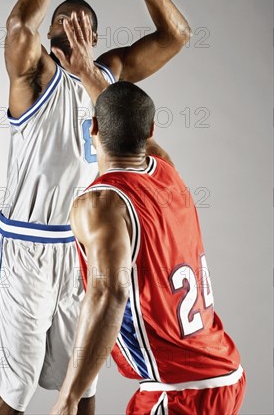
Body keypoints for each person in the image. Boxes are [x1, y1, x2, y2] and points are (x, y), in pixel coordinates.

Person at [0, 0, 191, 415]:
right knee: (18, 389)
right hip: (28, 247)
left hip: (83, 247)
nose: (68, 39)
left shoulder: (109, 73)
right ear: (49, 37)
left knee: (82, 387)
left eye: (79, 31)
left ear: (95, 38)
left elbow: (178, 34)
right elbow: (18, 28)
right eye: (59, 30)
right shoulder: (35, 77)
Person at [50, 81, 246, 415]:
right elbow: (134, 128)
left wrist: (68, 399)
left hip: (178, 391)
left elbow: (108, 294)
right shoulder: (169, 174)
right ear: (151, 130)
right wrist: (87, 72)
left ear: (93, 127)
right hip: (225, 373)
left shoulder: (102, 203)